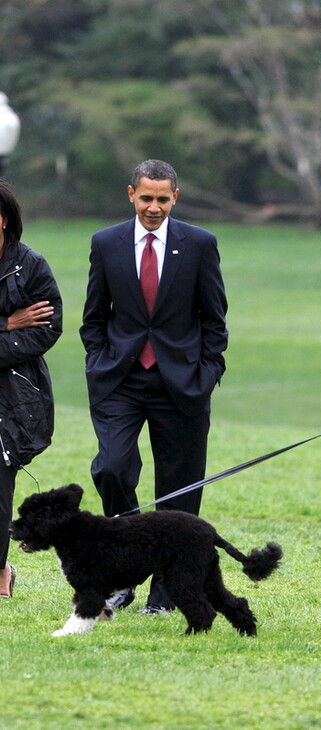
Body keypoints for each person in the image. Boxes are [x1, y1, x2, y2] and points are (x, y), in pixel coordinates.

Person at [80, 160, 228, 614]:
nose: (155, 207)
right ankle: (124, 569)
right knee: (112, 468)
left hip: (182, 385)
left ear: (175, 198)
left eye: (163, 199)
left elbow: (214, 320)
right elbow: (94, 318)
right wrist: (100, 363)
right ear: (131, 194)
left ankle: (163, 594)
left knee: (180, 492)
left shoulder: (200, 244)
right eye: (147, 198)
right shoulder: (106, 243)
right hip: (120, 380)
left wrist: (205, 374)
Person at [0, 180, 62, 598]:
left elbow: (47, 329)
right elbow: (19, 329)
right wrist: (5, 324)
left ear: (3, 219)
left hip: (14, 395)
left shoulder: (30, 266)